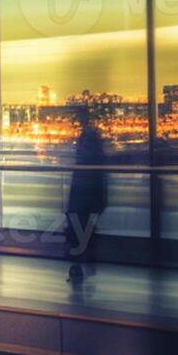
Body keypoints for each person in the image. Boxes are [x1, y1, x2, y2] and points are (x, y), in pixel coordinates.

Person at [65, 105, 110, 283]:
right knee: (85, 228)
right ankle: (84, 264)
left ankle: (78, 265)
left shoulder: (87, 137)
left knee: (78, 228)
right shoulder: (92, 136)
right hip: (91, 192)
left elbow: (84, 165)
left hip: (83, 191)